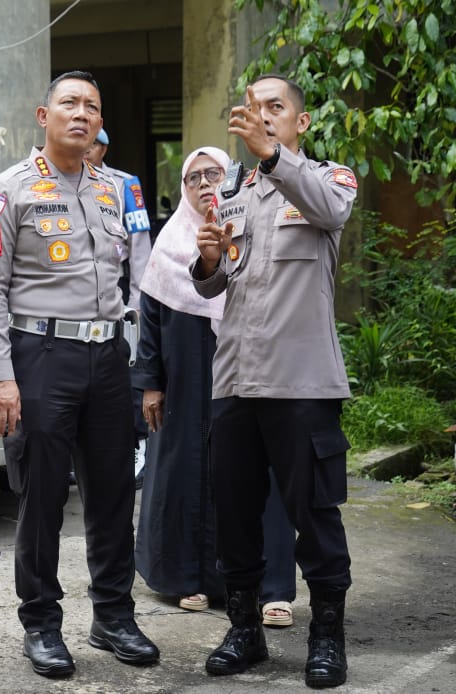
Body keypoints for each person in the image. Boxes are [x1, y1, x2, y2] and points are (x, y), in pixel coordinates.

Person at [0, 71, 158, 680]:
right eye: (69, 104)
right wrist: (3, 378)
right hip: (40, 356)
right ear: (44, 115)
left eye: (92, 106)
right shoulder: (9, 191)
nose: (81, 114)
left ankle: (113, 615)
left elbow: (141, 277)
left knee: (113, 493)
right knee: (43, 497)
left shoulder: (121, 189)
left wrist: (141, 357)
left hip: (107, 356)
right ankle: (41, 623)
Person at [192, 74, 357, 688]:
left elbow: (331, 208)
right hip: (235, 379)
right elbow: (213, 285)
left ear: (300, 123)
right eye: (254, 108)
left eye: (275, 109)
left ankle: (327, 636)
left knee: (313, 514)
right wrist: (209, 259)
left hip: (302, 383)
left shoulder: (327, 180)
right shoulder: (230, 198)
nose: (261, 117)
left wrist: (274, 157)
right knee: (233, 513)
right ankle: (244, 631)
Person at [133, 145, 297, 625]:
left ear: (234, 182)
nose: (205, 184)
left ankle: (272, 590)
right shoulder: (169, 246)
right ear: (184, 190)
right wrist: (149, 385)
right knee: (184, 473)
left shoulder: (256, 234)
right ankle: (187, 580)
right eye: (194, 178)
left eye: (216, 174)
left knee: (260, 473)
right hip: (184, 382)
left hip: (253, 376)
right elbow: (150, 323)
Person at [85, 127, 153, 487]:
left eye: (94, 144)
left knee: (126, 373)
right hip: (76, 292)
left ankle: (136, 446)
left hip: (118, 288)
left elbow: (139, 247)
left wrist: (138, 304)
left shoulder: (125, 185)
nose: (87, 149)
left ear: (105, 147)